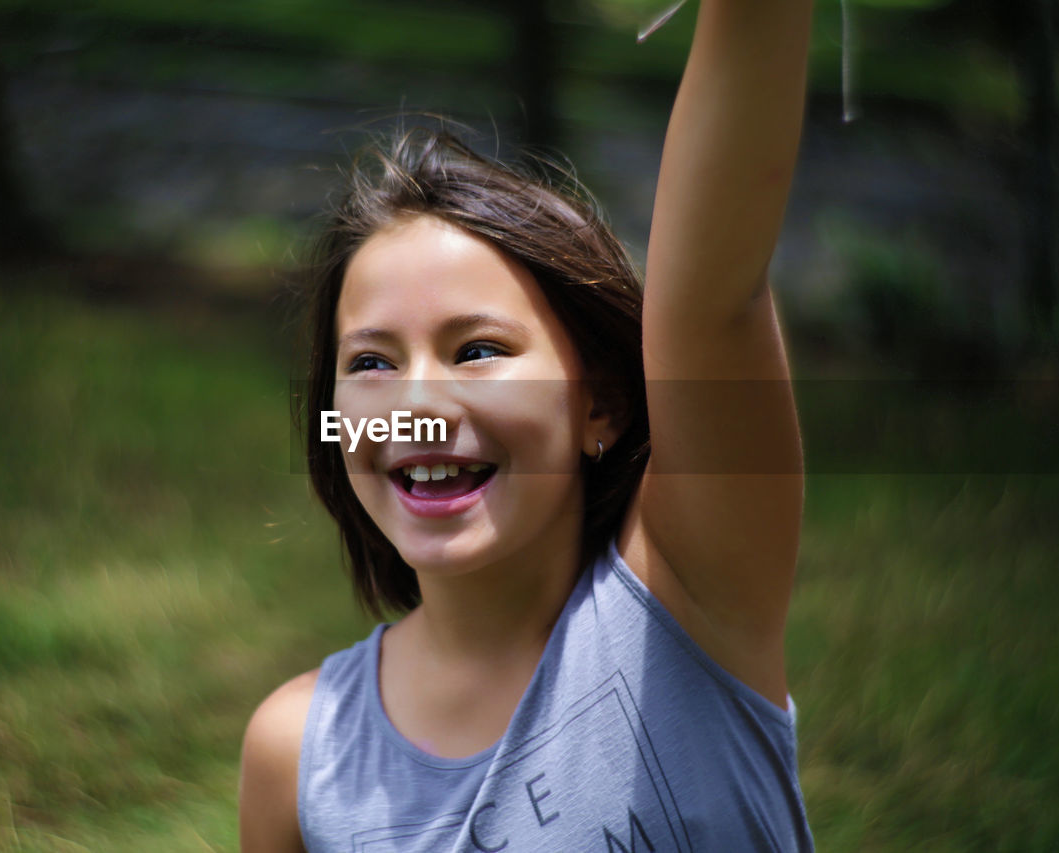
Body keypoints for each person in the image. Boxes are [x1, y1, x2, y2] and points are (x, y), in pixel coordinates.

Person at [241, 1, 815, 849]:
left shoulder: (693, 599)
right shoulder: (296, 756)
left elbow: (713, 299)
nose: (416, 405)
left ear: (602, 405)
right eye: (371, 362)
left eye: (476, 349)